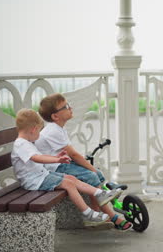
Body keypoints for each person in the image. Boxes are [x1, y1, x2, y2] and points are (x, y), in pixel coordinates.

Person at [35, 93, 132, 231]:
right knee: (92, 175)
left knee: (97, 174)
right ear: (55, 116)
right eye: (66, 107)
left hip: (60, 163)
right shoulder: (53, 131)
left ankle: (96, 210)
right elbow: (73, 154)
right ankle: (112, 216)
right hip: (52, 169)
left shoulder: (58, 128)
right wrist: (90, 168)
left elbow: (71, 155)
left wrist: (93, 169)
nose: (70, 107)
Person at [11, 108, 120, 227]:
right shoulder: (21, 144)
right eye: (38, 132)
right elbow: (37, 158)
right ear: (33, 129)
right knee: (69, 184)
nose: (39, 135)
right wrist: (57, 160)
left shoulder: (25, 142)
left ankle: (100, 193)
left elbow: (40, 156)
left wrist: (56, 156)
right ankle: (88, 214)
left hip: (40, 175)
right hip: (34, 181)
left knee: (70, 178)